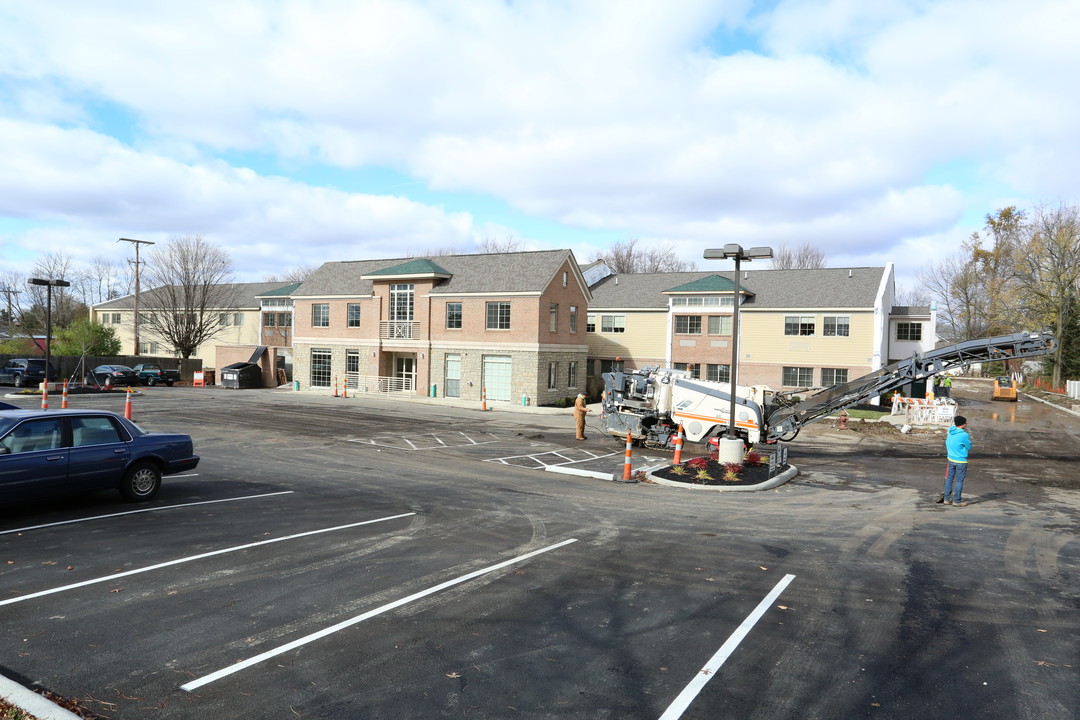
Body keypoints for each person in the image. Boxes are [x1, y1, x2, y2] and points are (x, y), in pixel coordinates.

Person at [938, 415, 971, 506]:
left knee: (949, 479)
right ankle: (957, 501)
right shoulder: (963, 434)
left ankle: (946, 499)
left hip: (951, 459)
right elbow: (969, 446)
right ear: (963, 424)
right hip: (961, 461)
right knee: (959, 481)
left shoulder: (951, 431)